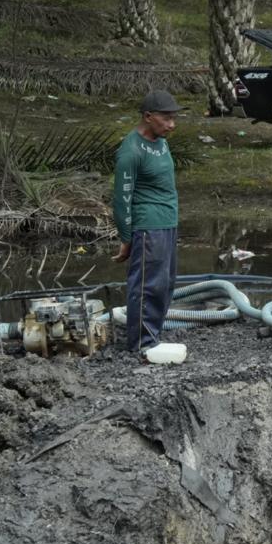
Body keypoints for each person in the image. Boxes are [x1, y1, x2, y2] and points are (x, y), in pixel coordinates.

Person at [112, 90, 183, 357]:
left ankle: (153, 334)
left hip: (167, 221)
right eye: (166, 118)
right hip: (148, 226)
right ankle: (142, 344)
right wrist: (126, 237)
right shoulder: (130, 151)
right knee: (147, 285)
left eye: (174, 118)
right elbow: (122, 197)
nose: (172, 124)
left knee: (166, 283)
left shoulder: (160, 141)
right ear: (148, 116)